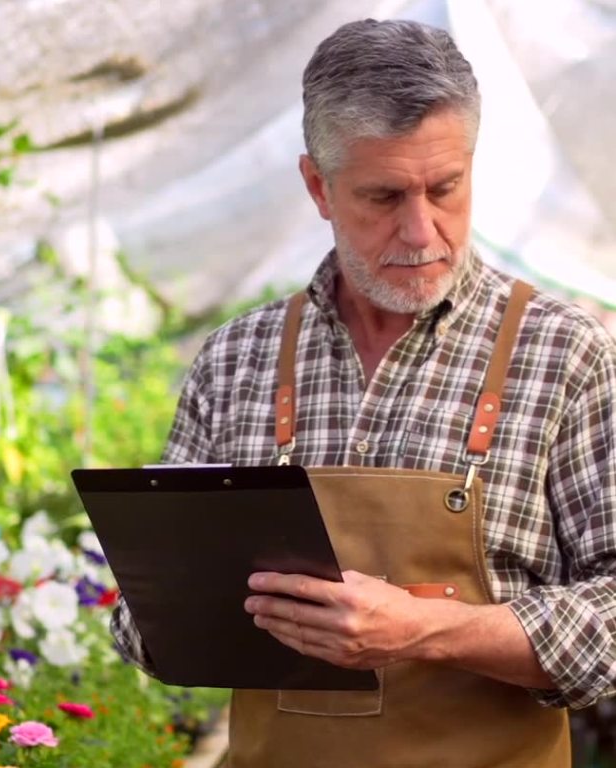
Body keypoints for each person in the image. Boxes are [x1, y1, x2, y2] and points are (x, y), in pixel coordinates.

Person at [111, 18, 616, 767]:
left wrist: (426, 630)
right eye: (383, 196)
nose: (421, 231)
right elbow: (143, 622)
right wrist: (168, 603)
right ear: (318, 185)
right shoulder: (235, 360)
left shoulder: (565, 354)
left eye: (445, 188)